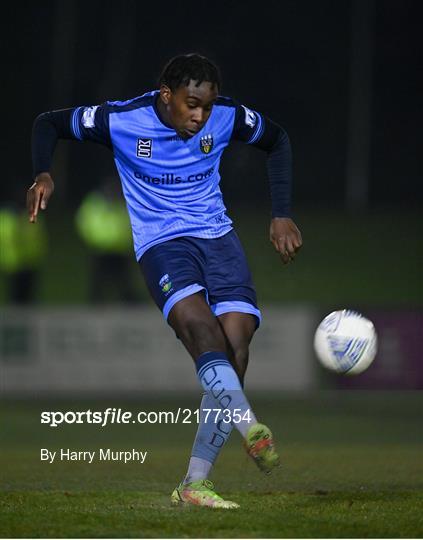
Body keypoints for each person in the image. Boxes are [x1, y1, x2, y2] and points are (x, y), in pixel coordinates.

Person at [27, 53, 302, 509]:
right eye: (192, 104)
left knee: (237, 342)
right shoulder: (121, 120)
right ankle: (250, 425)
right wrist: (43, 172)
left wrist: (281, 214)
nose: (200, 115)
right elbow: (48, 122)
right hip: (162, 243)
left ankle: (195, 483)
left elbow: (278, 140)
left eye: (207, 106)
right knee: (200, 330)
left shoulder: (228, 118)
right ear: (166, 96)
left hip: (217, 236)